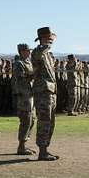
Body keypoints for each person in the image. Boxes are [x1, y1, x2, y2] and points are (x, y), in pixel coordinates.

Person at [31, 26, 59, 161]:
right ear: (43, 39)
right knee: (44, 120)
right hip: (42, 91)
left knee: (50, 121)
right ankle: (42, 151)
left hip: (50, 91)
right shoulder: (37, 51)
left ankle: (45, 149)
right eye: (49, 38)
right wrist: (47, 43)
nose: (51, 41)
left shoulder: (48, 55)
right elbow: (39, 52)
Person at [13, 44, 36, 155]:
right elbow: (21, 78)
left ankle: (25, 144)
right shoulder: (19, 64)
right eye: (27, 50)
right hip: (23, 95)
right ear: (21, 52)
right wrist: (33, 74)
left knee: (32, 120)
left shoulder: (29, 62)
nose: (29, 52)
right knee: (26, 120)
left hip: (30, 94)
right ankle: (21, 146)